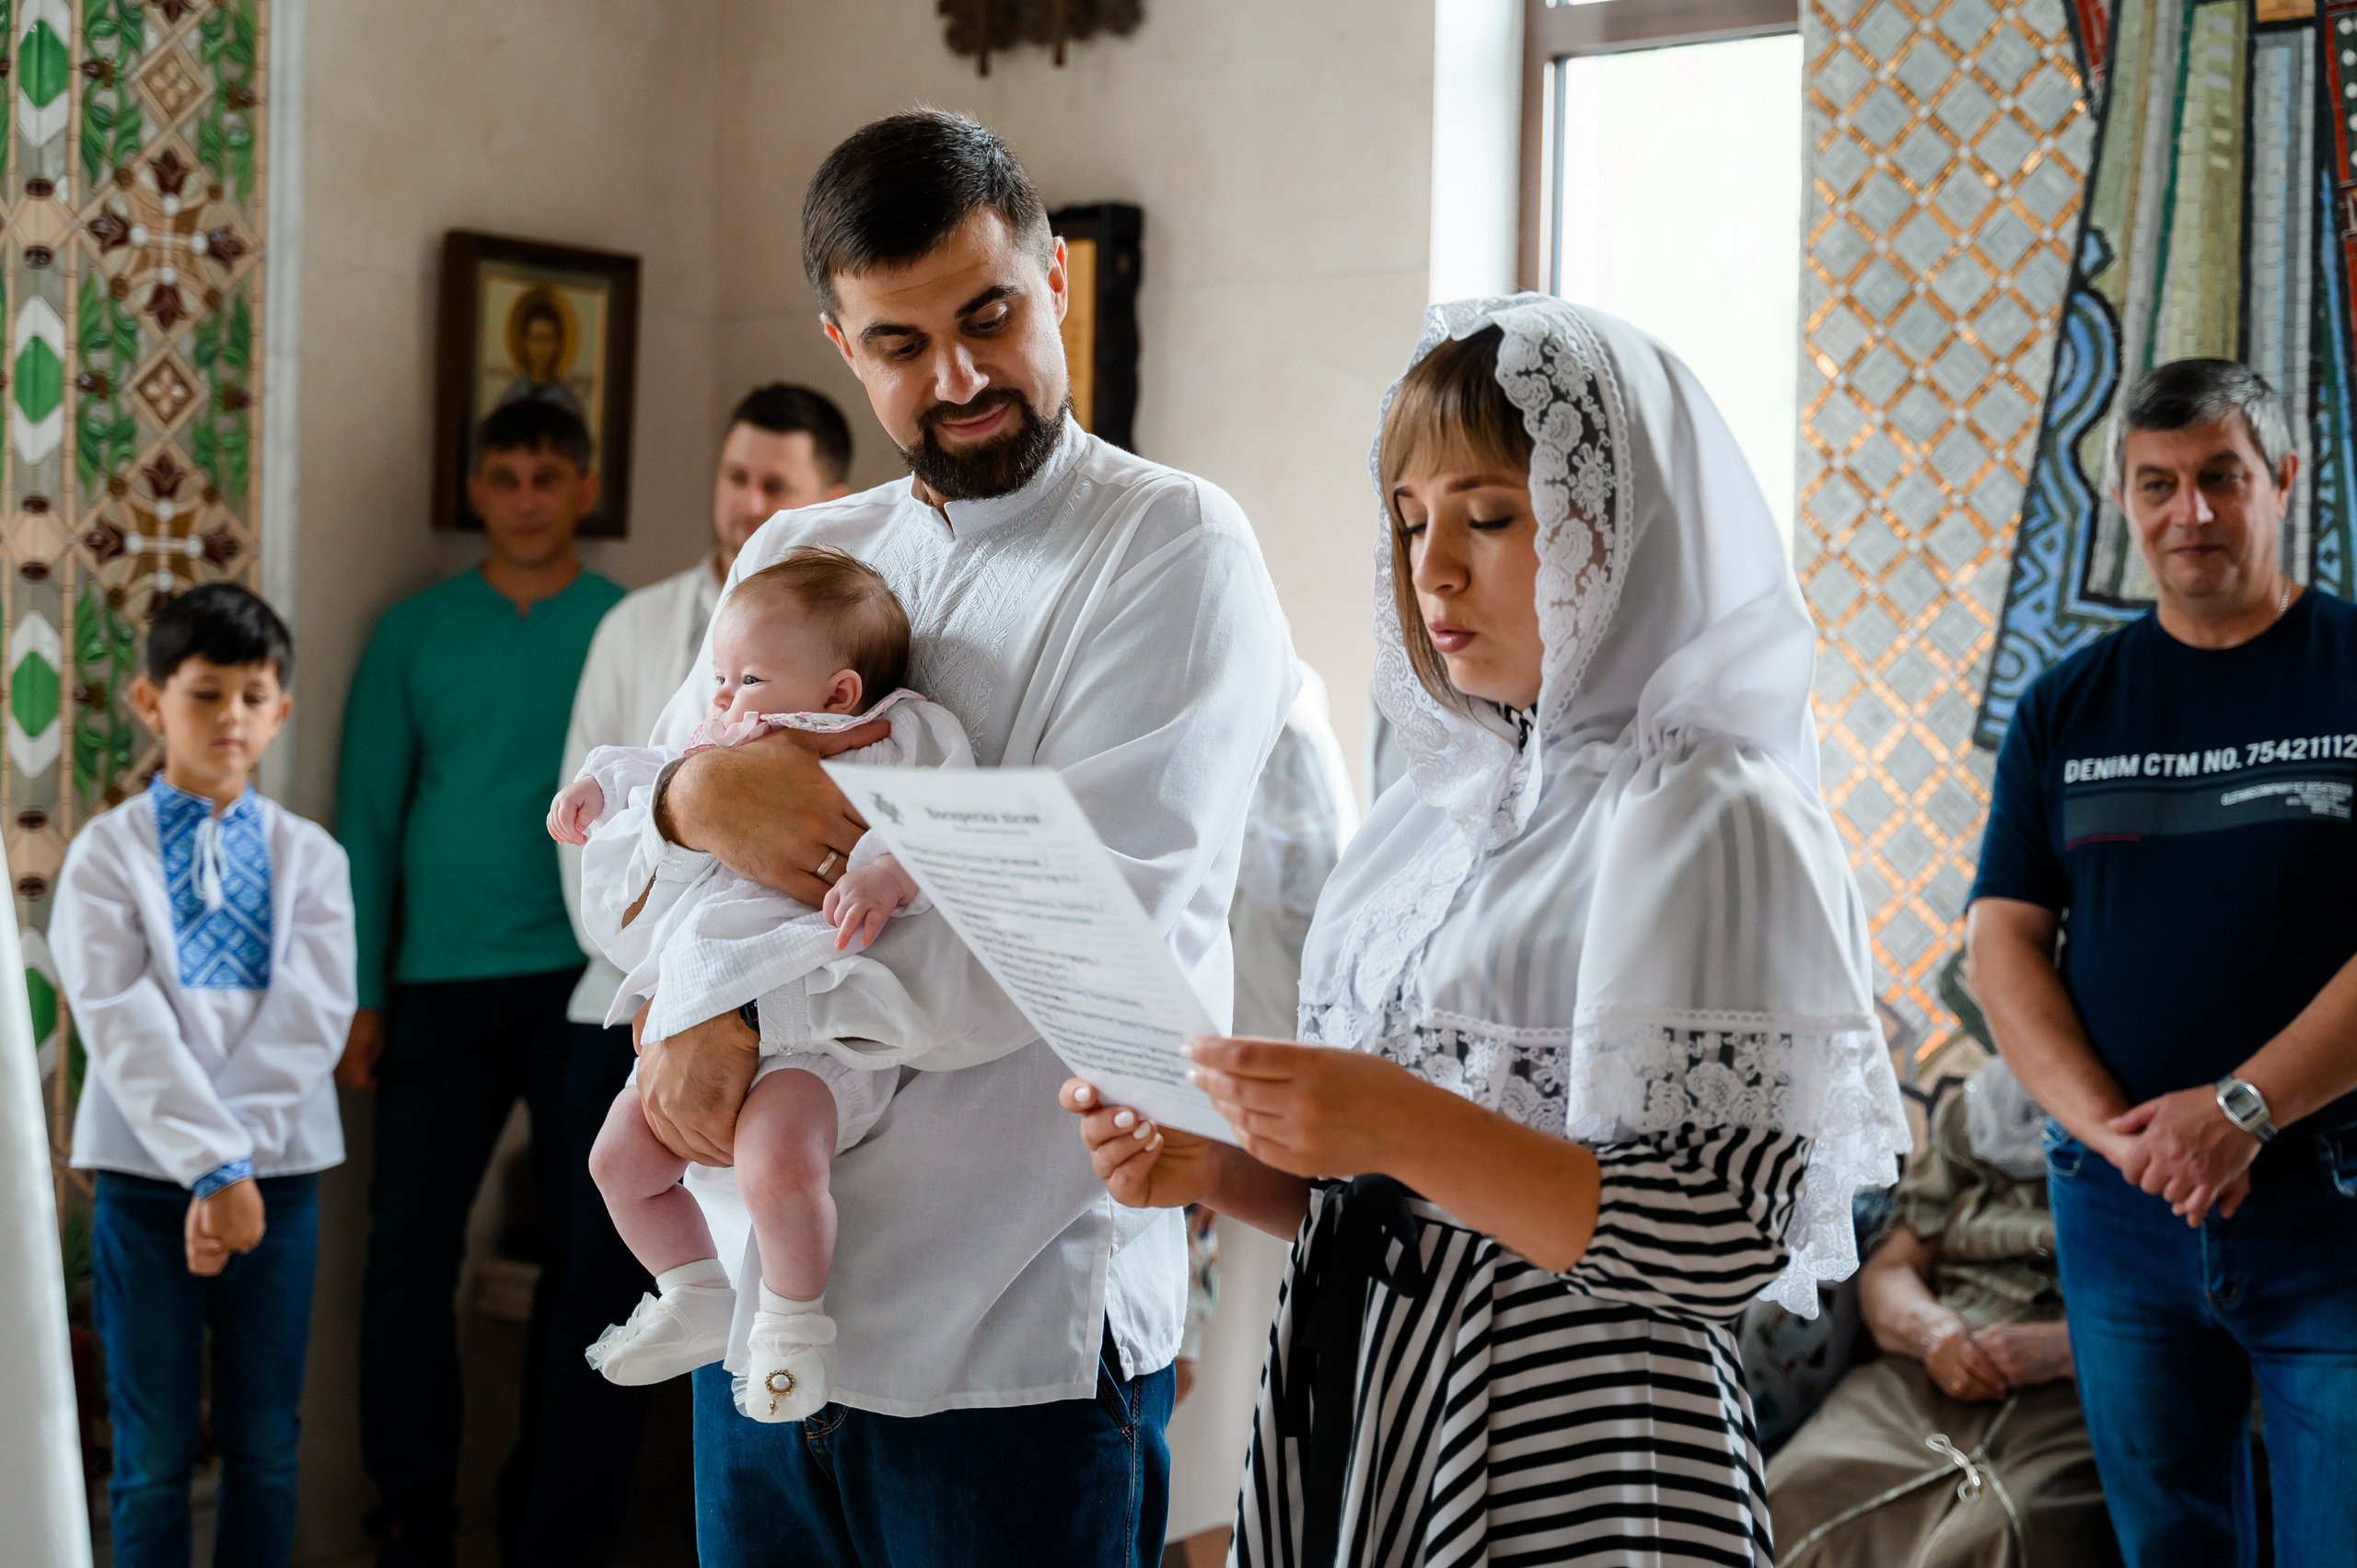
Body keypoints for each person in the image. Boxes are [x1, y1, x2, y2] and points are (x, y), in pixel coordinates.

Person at [1066, 296, 1911, 1566]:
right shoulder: (1432, 813)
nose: (1434, 567)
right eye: (1410, 521)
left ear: (1613, 529)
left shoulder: (1707, 808)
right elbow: (1404, 1209)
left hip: (1575, 1449)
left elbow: (1726, 1232)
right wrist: (1215, 1166)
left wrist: (1390, 1116)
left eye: (1491, 515)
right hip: (1373, 1406)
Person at [624, 110, 1292, 1567]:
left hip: (1012, 1340)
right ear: (840, 342)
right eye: (900, 343)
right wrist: (690, 802)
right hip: (766, 1317)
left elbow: (1053, 946)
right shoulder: (798, 559)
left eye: (987, 315)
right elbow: (635, 859)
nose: (959, 375)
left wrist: (730, 1001)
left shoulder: (1175, 549)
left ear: (1053, 276)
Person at [1966, 358, 2357, 1567]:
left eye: (2221, 478)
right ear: (2125, 501)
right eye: (2158, 483)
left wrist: (2242, 1107)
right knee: (2169, 1547)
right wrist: (2119, 1133)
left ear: (2285, 480)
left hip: (2329, 1199)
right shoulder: (2067, 705)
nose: (2189, 512)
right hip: (2122, 1208)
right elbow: (2003, 942)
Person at [551, 549, 971, 1417]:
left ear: (839, 692)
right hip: (698, 994)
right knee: (618, 1162)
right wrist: (597, 785)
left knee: (777, 1165)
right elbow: (652, 764)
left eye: (747, 677)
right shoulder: (725, 736)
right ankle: (694, 1289)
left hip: (811, 1007)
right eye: (719, 675)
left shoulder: (895, 737)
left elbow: (947, 821)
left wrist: (886, 876)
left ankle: (790, 1326)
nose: (723, 696)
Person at [336, 398, 627, 1567]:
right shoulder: (412, 632)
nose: (523, 494)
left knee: (589, 1259)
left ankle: (547, 1523)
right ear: (474, 487)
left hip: (579, 987)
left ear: (582, 486)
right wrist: (361, 993)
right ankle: (411, 1515)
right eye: (502, 473)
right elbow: (364, 818)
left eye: (546, 474)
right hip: (436, 987)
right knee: (408, 1254)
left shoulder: (622, 625)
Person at [54, 585, 355, 1568]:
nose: (230, 716)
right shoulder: (105, 855)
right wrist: (208, 1165)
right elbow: (118, 1015)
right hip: (144, 1182)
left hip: (281, 1181)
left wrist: (232, 1169)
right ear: (151, 702)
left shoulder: (311, 856)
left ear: (281, 709)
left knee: (266, 1445)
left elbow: (312, 1013)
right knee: (149, 1457)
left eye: (252, 694)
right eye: (205, 692)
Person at [558, 382, 855, 1041]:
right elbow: (584, 803)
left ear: (832, 504)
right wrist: (632, 946)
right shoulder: (630, 625)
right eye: (736, 477)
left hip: (777, 993)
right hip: (620, 984)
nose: (749, 503)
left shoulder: (857, 642)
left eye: (774, 485)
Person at [1767, 1060, 2118, 1565]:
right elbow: (1892, 1269)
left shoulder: (2181, 1134)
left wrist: (2071, 1349)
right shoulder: (1984, 1112)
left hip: (2095, 1397)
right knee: (1798, 1489)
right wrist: (1935, 1334)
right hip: (1927, 1372)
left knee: (1994, 1540)